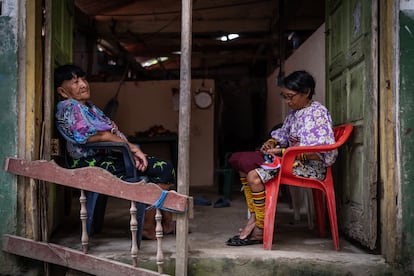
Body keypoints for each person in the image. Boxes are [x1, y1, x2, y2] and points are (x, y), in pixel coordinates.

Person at [54, 63, 176, 237]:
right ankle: (151, 226)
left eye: (83, 79)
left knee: (158, 168)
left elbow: (109, 133)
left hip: (108, 157)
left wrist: (131, 152)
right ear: (62, 91)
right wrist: (131, 148)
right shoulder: (69, 107)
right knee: (163, 168)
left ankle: (164, 222)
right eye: (74, 82)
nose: (83, 84)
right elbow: (93, 136)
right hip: (89, 163)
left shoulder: (89, 107)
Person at [226, 70, 337, 246]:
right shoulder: (295, 113)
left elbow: (318, 152)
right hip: (293, 162)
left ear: (306, 92)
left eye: (291, 97)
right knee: (243, 166)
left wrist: (283, 153)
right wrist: (272, 143)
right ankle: (256, 219)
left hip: (311, 166)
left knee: (254, 176)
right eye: (284, 96)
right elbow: (282, 135)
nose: (287, 101)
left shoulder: (317, 113)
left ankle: (260, 229)